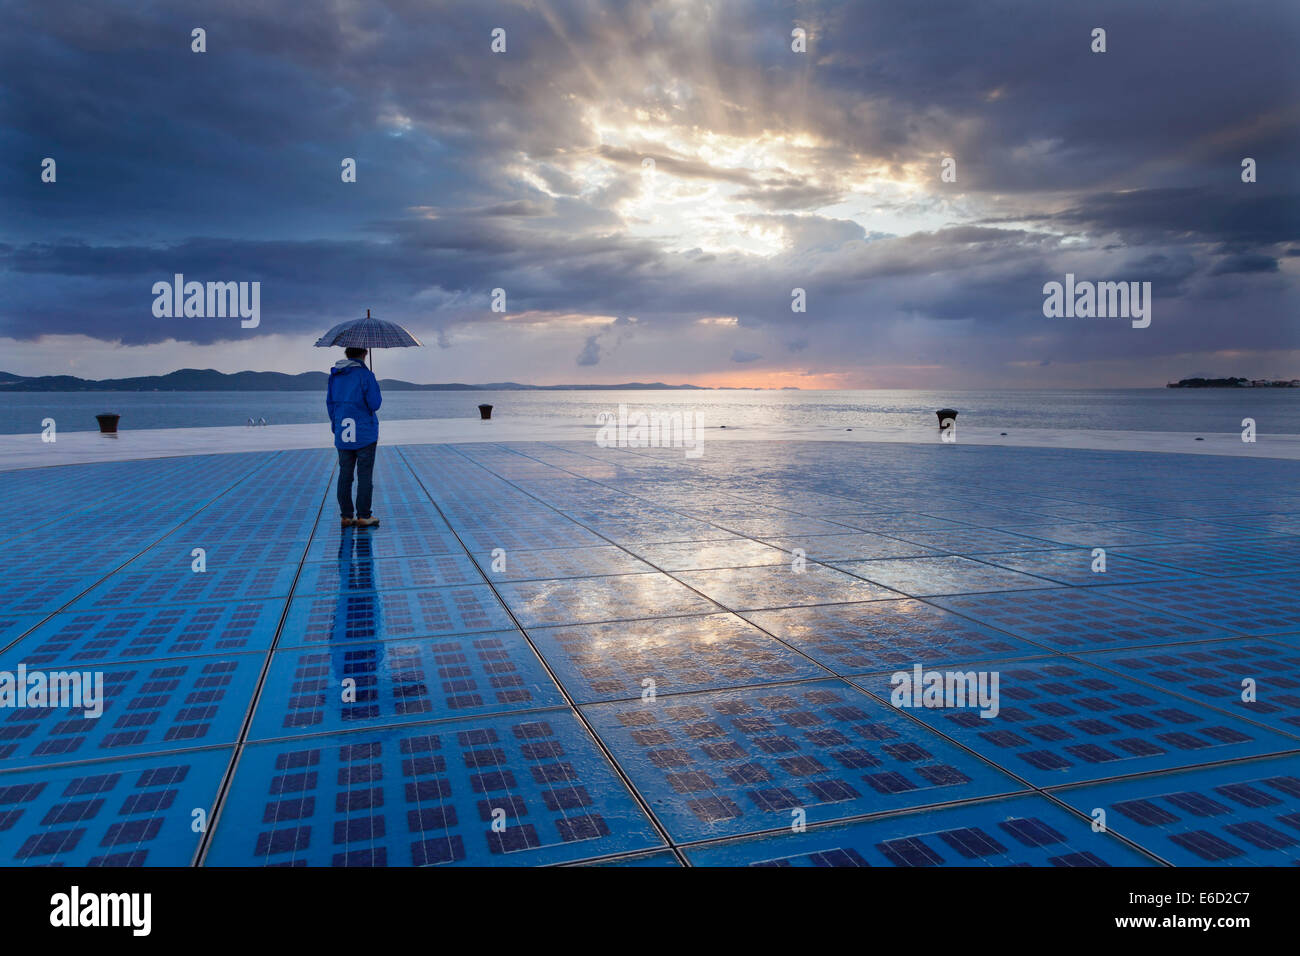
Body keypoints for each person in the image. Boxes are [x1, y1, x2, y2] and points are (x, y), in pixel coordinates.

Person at [326, 346, 382, 528]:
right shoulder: (366, 376)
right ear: (365, 354)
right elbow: (375, 404)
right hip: (364, 433)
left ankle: (346, 516)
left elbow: (330, 404)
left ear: (347, 353)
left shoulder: (335, 375)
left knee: (345, 475)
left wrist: (336, 425)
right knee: (364, 476)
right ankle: (364, 515)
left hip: (343, 432)